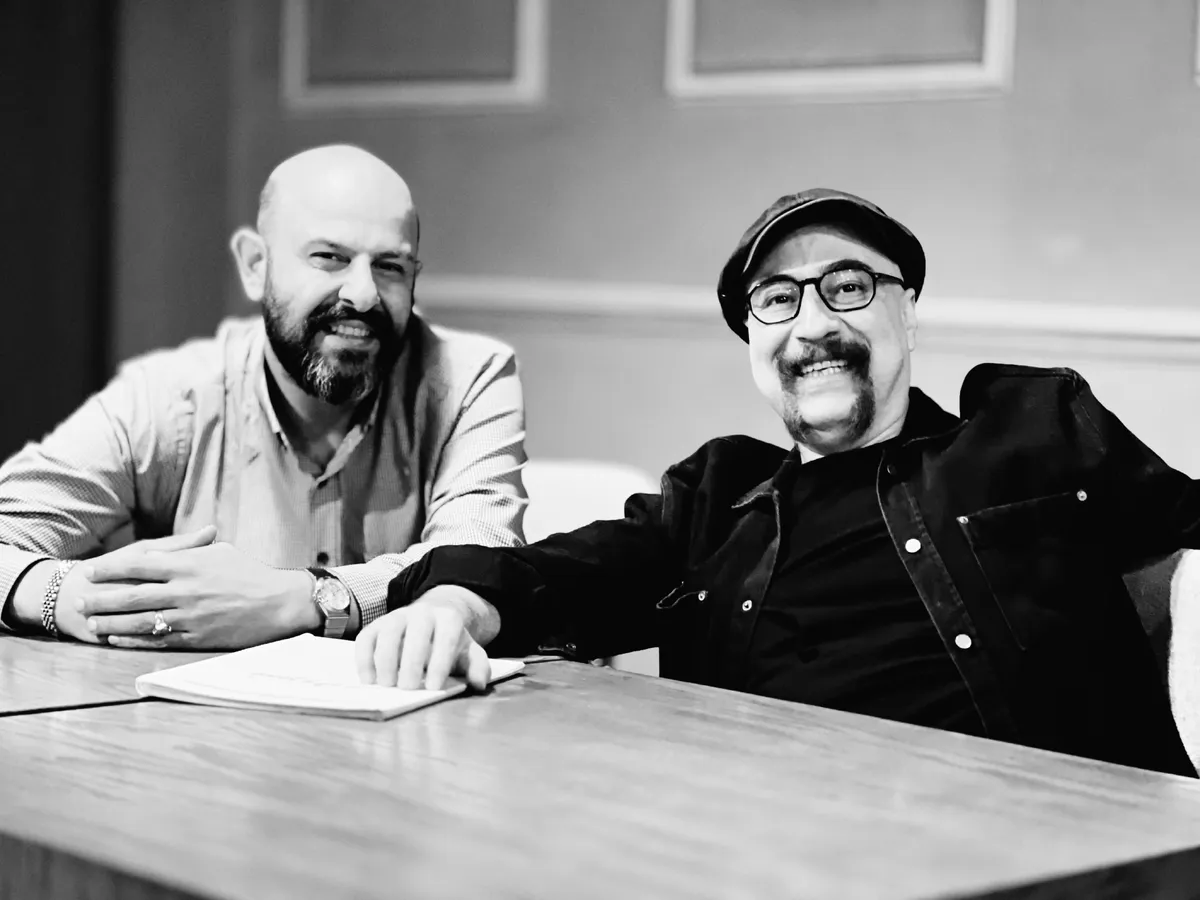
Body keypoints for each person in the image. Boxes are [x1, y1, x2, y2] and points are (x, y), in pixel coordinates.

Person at [360, 188, 1200, 778]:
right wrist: (455, 603)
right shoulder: (716, 498)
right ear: (754, 343)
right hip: (765, 843)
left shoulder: (1025, 428)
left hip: (1049, 847)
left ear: (908, 312)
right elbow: (561, 574)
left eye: (849, 287)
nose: (815, 324)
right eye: (777, 300)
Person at [0, 144, 526, 649]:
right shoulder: (172, 400)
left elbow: (476, 569)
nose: (363, 294)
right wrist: (69, 597)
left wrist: (301, 599)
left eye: (390, 267)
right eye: (329, 257)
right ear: (255, 265)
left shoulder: (466, 380)